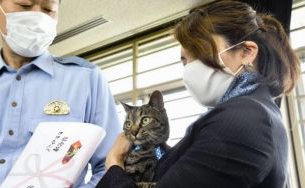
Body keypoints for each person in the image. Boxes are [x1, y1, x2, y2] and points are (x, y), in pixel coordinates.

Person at [96, 1, 300, 188]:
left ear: (246, 52)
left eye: (198, 51)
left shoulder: (246, 119)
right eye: (184, 61)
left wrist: (114, 165)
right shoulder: (253, 111)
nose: (190, 68)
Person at [0, 0, 121, 187]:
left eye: (48, 10)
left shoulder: (85, 79)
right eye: (24, 5)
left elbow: (112, 165)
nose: (37, 16)